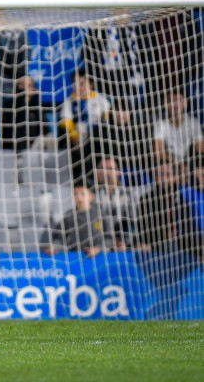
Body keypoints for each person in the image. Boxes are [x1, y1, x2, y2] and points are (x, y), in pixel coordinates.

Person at [135, 161, 203, 319]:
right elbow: (143, 228)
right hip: (157, 248)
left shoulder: (183, 197)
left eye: (166, 175)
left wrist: (200, 250)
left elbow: (191, 227)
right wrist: (162, 236)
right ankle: (168, 299)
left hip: (183, 246)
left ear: (174, 177)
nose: (162, 178)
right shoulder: (147, 200)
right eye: (159, 175)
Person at [40, 180, 113, 257]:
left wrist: (98, 248)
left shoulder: (100, 214)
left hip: (100, 257)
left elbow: (109, 237)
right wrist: (55, 247)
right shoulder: (69, 216)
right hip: (77, 257)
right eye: (75, 194)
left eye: (82, 194)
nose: (79, 197)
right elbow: (59, 237)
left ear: (91, 196)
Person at [91, 155, 136, 250]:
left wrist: (125, 241)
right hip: (97, 246)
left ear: (118, 172)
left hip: (123, 245)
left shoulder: (128, 194)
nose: (106, 172)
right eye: (102, 168)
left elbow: (132, 221)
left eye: (110, 168)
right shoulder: (90, 195)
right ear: (96, 173)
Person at [153, 89, 204, 166]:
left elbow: (200, 148)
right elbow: (158, 153)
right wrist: (176, 163)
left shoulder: (194, 122)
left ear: (185, 103)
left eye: (179, 100)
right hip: (170, 165)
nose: (175, 104)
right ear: (165, 104)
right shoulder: (160, 124)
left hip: (191, 165)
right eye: (171, 100)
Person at [0, 75, 48, 152]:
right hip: (14, 143)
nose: (25, 89)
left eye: (29, 86)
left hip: (36, 144)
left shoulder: (38, 105)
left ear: (34, 89)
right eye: (22, 85)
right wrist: (22, 100)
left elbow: (45, 127)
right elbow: (6, 128)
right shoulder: (9, 104)